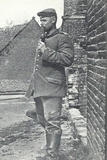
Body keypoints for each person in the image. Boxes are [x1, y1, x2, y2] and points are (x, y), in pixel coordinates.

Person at [25, 8, 74, 160]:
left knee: (52, 123)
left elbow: (67, 59)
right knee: (42, 119)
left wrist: (46, 51)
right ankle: (53, 145)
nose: (41, 23)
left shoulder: (62, 38)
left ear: (53, 19)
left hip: (53, 87)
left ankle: (52, 156)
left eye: (44, 20)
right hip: (40, 88)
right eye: (40, 20)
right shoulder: (43, 38)